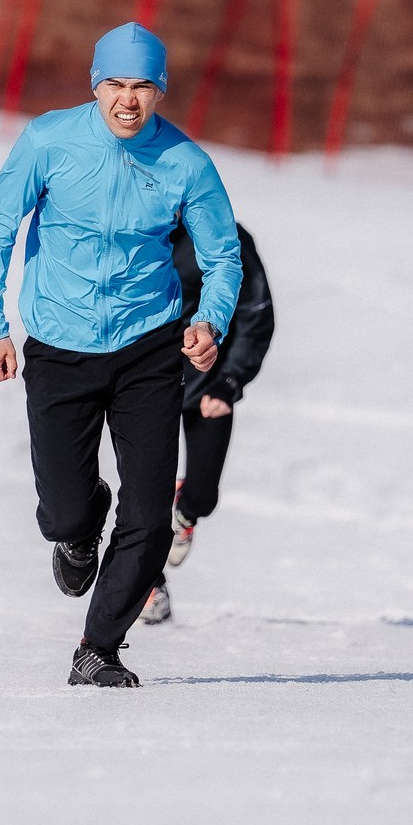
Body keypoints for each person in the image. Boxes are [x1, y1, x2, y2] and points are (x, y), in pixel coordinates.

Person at [0, 23, 241, 688]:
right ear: (96, 87)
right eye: (115, 85)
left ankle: (100, 647)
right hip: (59, 347)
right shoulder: (49, 141)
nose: (128, 101)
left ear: (161, 90)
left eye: (143, 86)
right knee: (64, 510)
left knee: (149, 516)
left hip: (147, 347)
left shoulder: (186, 163)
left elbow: (222, 254)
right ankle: (77, 527)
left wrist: (209, 319)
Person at [141, 220, 276, 625]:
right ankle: (148, 584)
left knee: (203, 494)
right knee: (142, 501)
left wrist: (230, 381)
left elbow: (256, 312)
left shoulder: (225, 237)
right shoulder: (133, 226)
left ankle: (186, 511)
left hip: (208, 386)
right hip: (145, 386)